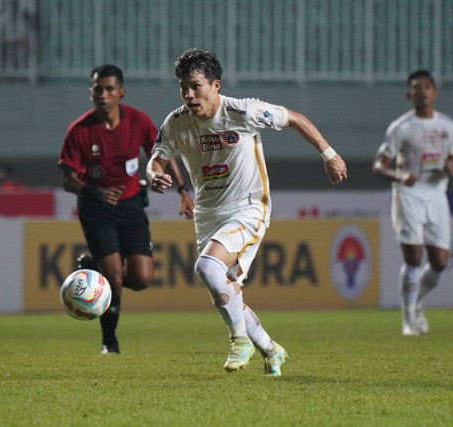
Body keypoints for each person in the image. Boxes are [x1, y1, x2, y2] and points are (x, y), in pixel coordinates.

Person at [146, 48, 347, 376]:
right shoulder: (176, 122)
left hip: (248, 207)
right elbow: (156, 158)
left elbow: (295, 118)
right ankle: (270, 349)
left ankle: (239, 340)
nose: (188, 94)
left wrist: (329, 155)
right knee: (227, 290)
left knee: (207, 268)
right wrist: (154, 176)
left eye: (196, 86)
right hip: (207, 215)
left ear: (216, 85)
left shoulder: (243, 111)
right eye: (183, 87)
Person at [58, 64, 194, 354]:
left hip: (131, 205)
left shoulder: (137, 122)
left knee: (142, 279)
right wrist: (96, 192)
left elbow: (165, 155)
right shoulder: (80, 130)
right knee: (115, 279)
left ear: (121, 92)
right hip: (96, 209)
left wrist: (183, 191)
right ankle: (109, 341)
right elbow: (68, 179)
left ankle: (93, 267)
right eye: (97, 88)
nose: (103, 94)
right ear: (90, 92)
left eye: (109, 89)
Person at [372, 70, 453, 336]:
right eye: (416, 87)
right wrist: (399, 175)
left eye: (426, 86)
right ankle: (409, 317)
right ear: (409, 94)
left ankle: (415, 299)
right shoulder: (401, 128)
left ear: (434, 92)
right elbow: (379, 165)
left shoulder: (447, 125)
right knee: (413, 258)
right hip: (408, 196)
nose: (421, 91)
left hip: (436, 195)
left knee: (440, 263)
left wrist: (451, 167)